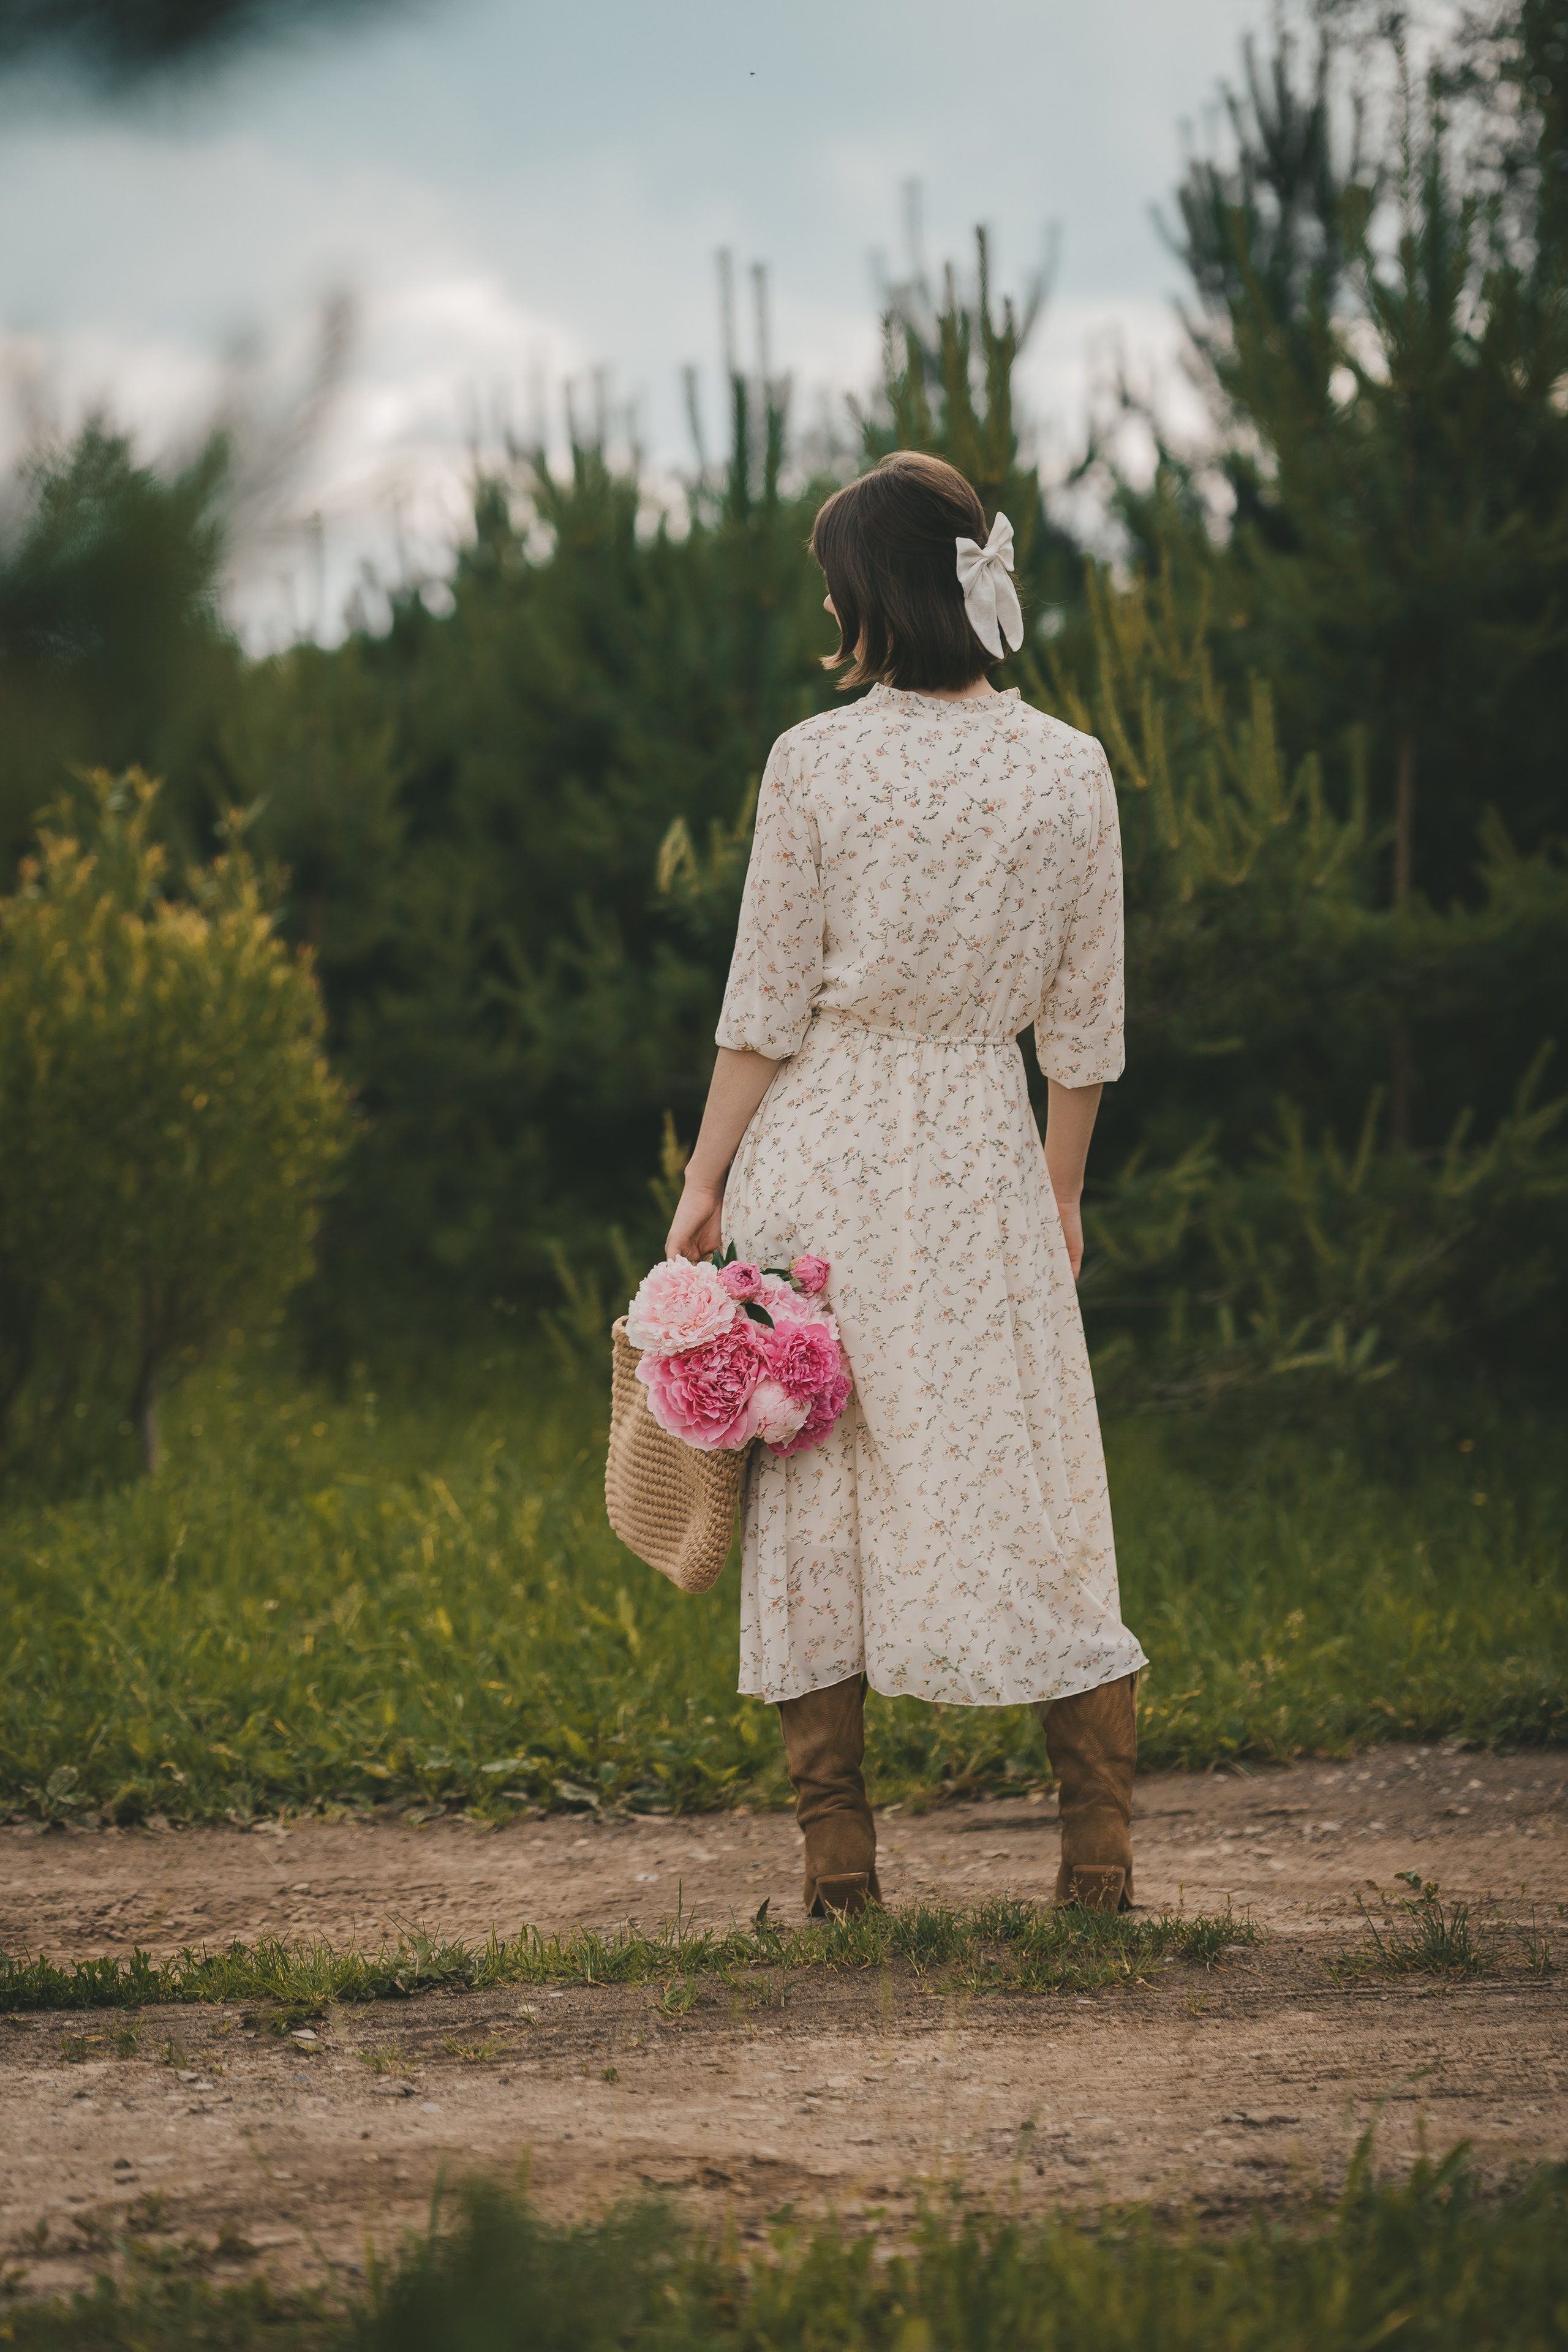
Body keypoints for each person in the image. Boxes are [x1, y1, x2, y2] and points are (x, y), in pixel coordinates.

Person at [664, 450, 1147, 1917]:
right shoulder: (1068, 766)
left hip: (825, 1150)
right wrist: (1059, 1191)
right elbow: (1082, 1026)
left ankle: (841, 1872)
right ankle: (1095, 1863)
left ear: (863, 595)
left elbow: (764, 1003)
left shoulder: (813, 761)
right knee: (1025, 1466)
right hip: (980, 1150)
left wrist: (703, 1182)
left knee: (821, 1483)